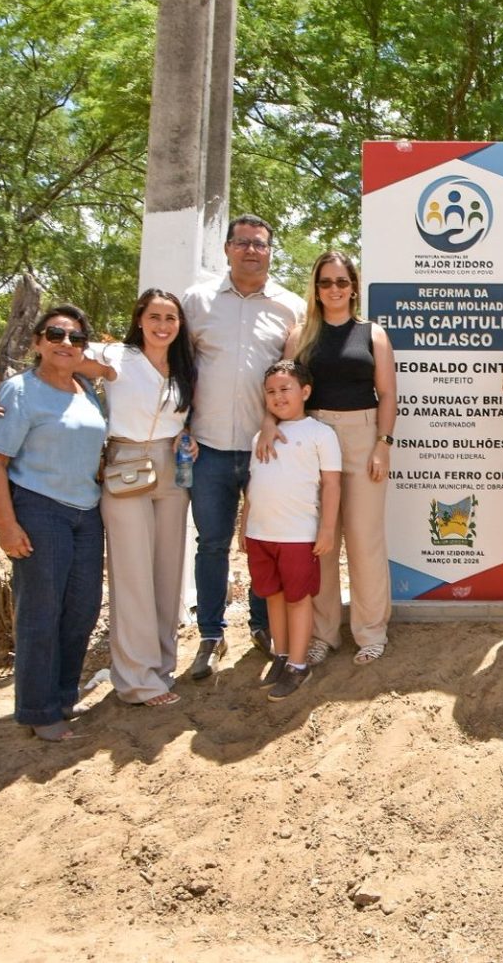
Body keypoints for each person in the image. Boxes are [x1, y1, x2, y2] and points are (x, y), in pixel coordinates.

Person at [181, 214, 305, 680]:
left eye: (260, 244)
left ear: (271, 252)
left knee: (263, 544)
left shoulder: (289, 307)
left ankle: (261, 624)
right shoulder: (197, 301)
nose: (251, 250)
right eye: (242, 243)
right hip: (207, 447)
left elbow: (294, 376)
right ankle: (210, 634)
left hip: (265, 448)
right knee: (211, 543)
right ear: (228, 249)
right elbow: (176, 366)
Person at [261, 251, 397, 666]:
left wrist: (382, 444)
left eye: (342, 282)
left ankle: (371, 631)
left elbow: (388, 393)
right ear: (316, 289)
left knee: (363, 538)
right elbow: (280, 386)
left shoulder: (372, 334)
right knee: (318, 541)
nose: (334, 289)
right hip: (311, 438)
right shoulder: (300, 335)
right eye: (326, 283)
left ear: (354, 287)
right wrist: (269, 423)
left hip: (361, 436)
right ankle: (321, 633)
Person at [0, 306, 108, 741]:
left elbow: (109, 366)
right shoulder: (19, 392)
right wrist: (6, 526)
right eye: (55, 334)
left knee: (83, 608)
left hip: (87, 512)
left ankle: (64, 695)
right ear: (36, 342)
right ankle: (38, 709)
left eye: (75, 337)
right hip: (40, 509)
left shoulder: (85, 388)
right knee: (41, 611)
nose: (65, 343)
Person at [93, 290, 199, 707]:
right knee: (133, 573)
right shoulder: (115, 356)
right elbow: (60, 363)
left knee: (167, 571)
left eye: (171, 318)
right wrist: (2, 394)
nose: (163, 325)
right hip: (126, 465)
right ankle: (136, 681)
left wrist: (189, 439)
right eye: (155, 316)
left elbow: (183, 417)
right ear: (139, 318)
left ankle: (161, 667)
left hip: (173, 468)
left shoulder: (183, 366)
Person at [239, 360, 341, 702]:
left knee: (298, 600)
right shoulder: (260, 436)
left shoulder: (320, 434)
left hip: (298, 536)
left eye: (285, 389)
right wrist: (245, 525)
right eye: (270, 391)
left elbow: (331, 484)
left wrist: (327, 528)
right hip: (260, 534)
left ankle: (299, 664)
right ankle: (281, 656)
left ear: (305, 391)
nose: (278, 396)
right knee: (273, 597)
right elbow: (254, 485)